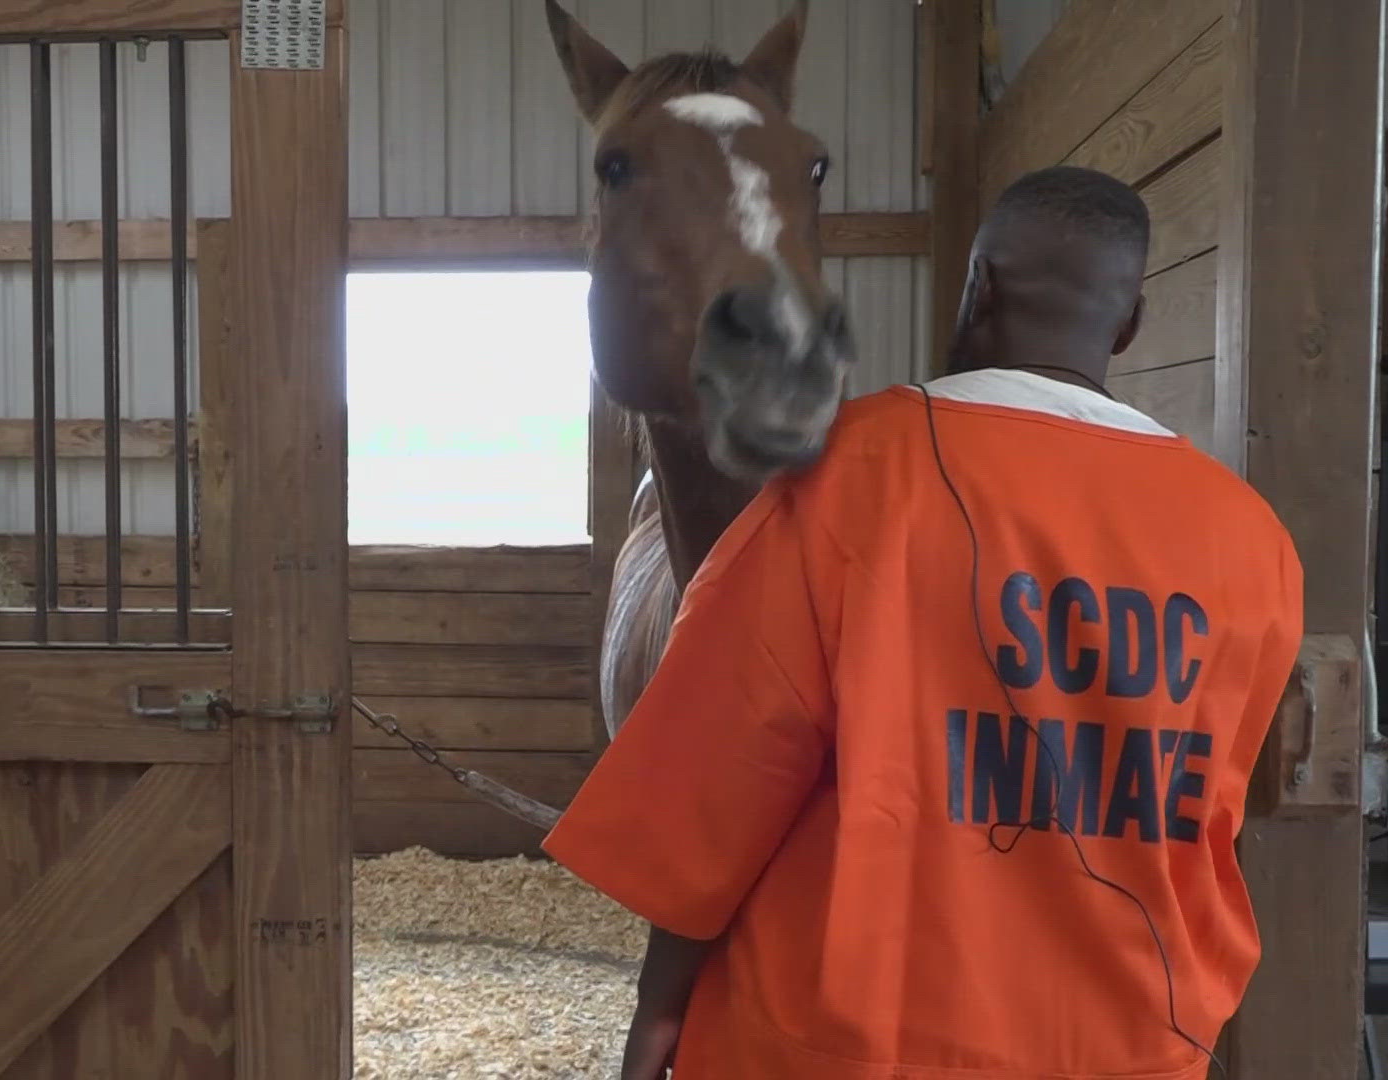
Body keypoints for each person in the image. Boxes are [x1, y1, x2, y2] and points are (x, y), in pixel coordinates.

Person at [541, 164, 1305, 1080]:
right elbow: (1205, 812)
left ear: (976, 287)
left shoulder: (849, 477)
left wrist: (657, 1006)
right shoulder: (1248, 537)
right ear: (1130, 324)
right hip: (1125, 1044)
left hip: (843, 1044)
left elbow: (723, 779)